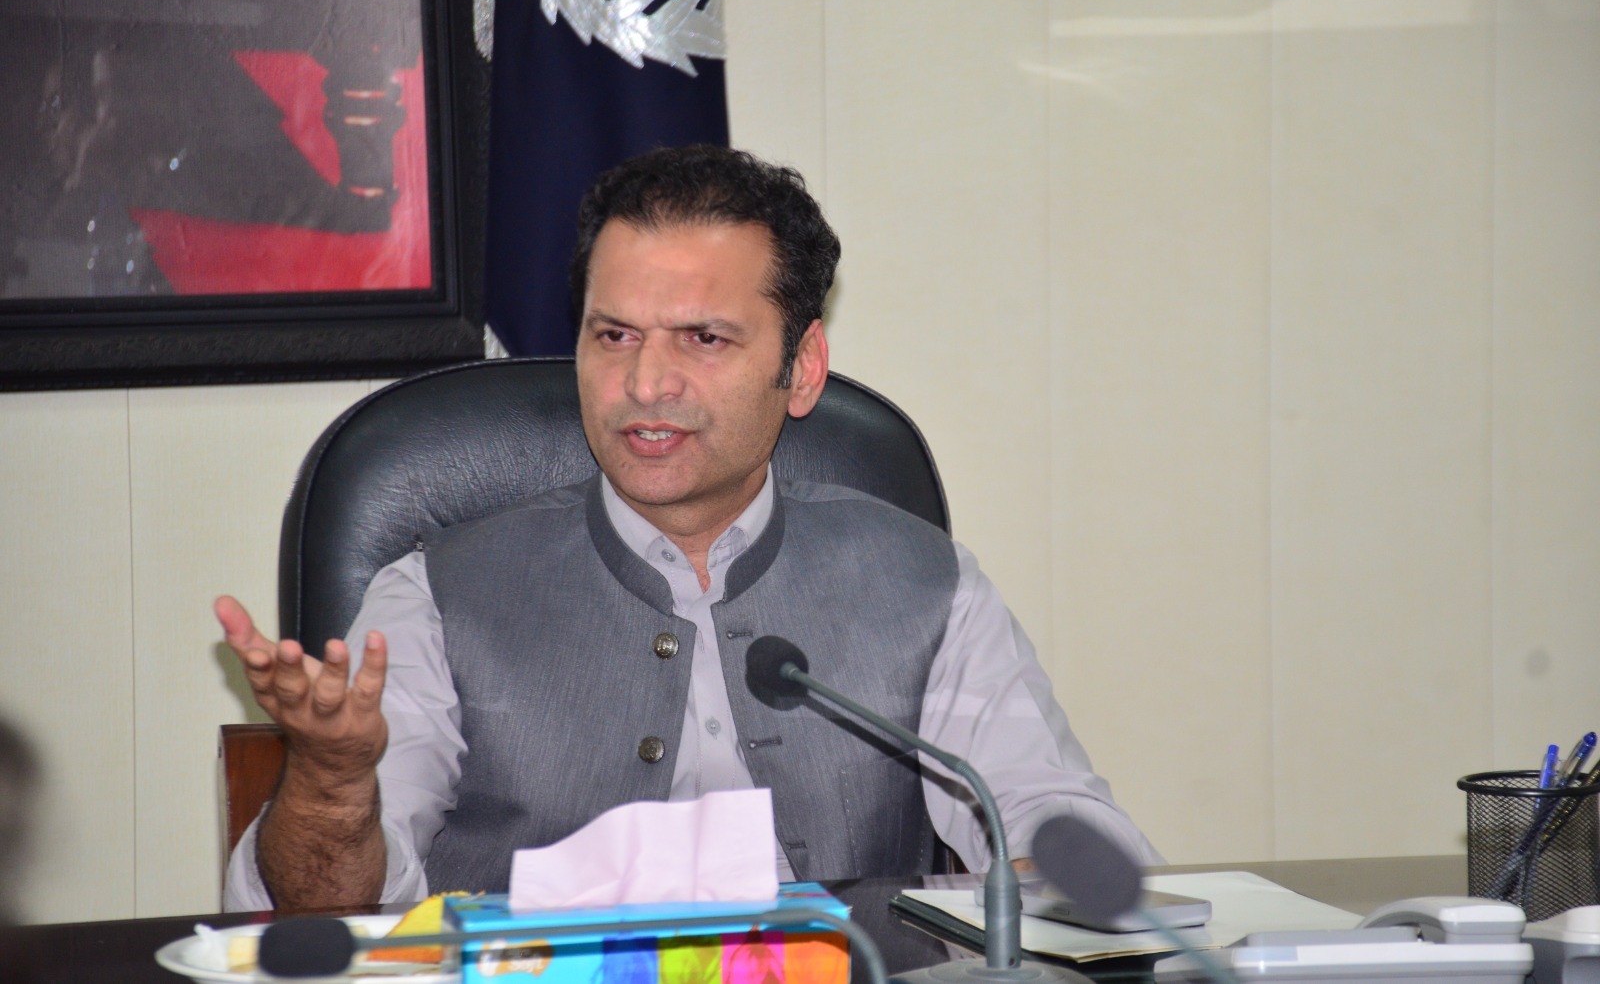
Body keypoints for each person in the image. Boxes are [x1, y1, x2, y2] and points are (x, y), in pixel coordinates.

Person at [219, 145, 1159, 912]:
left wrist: (1049, 882)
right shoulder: (433, 595)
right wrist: (333, 782)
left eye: (704, 339)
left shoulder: (925, 584)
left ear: (803, 368)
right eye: (614, 335)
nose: (645, 383)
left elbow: (1056, 821)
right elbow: (314, 915)